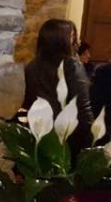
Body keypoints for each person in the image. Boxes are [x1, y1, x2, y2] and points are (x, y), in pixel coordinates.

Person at [23, 19, 94, 154]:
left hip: (39, 132)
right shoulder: (72, 66)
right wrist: (91, 144)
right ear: (61, 40)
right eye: (74, 37)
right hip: (68, 136)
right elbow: (83, 109)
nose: (78, 43)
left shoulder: (31, 66)